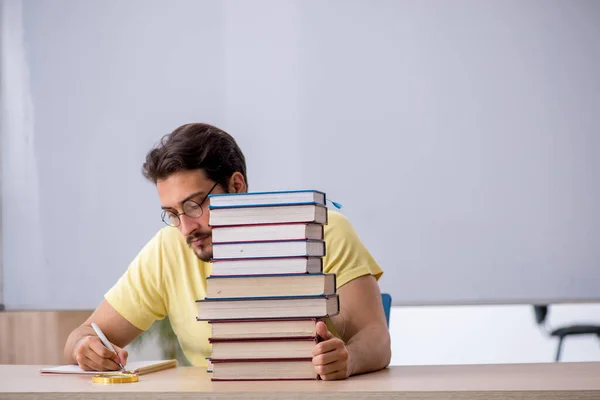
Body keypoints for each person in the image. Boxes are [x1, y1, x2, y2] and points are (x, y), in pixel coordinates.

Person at [63, 122, 391, 380]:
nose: (185, 228)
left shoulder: (321, 229)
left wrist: (348, 361)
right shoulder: (168, 249)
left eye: (193, 205)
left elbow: (375, 338)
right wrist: (84, 347)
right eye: (172, 213)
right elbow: (83, 335)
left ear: (236, 185)